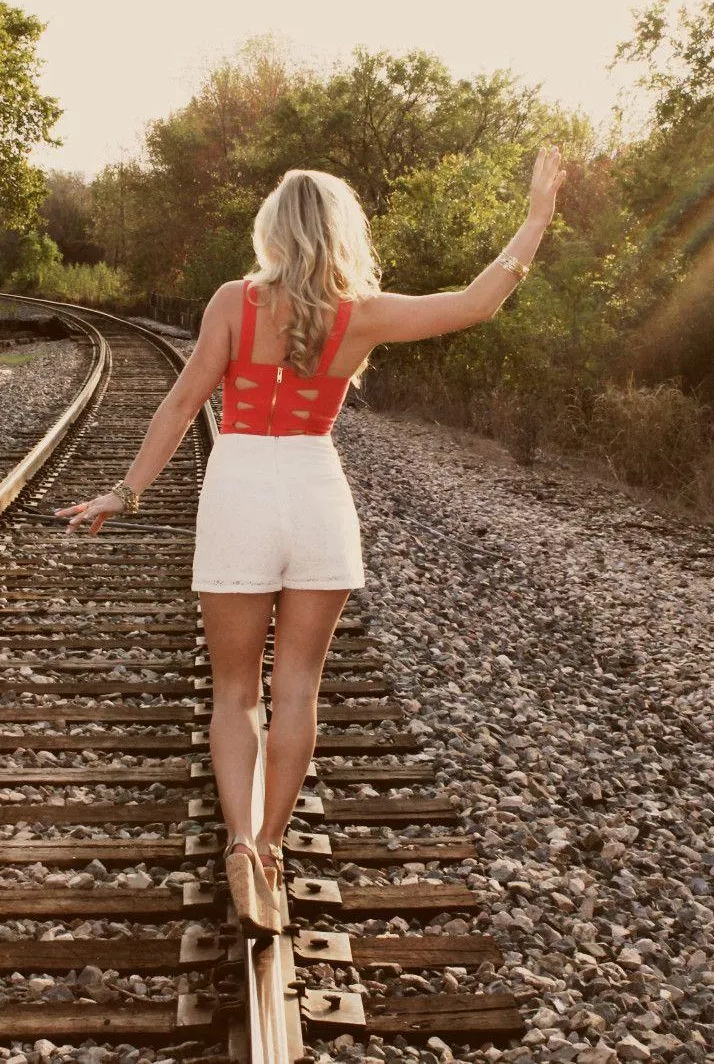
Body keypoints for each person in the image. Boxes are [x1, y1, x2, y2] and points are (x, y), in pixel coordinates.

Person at [54, 145, 566, 935]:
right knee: (297, 689)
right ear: (340, 231)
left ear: (271, 231)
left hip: (241, 489)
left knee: (236, 693)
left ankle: (236, 842)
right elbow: (475, 302)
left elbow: (184, 404)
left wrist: (126, 492)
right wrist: (534, 219)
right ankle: (268, 848)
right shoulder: (361, 312)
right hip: (318, 494)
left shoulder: (234, 301)